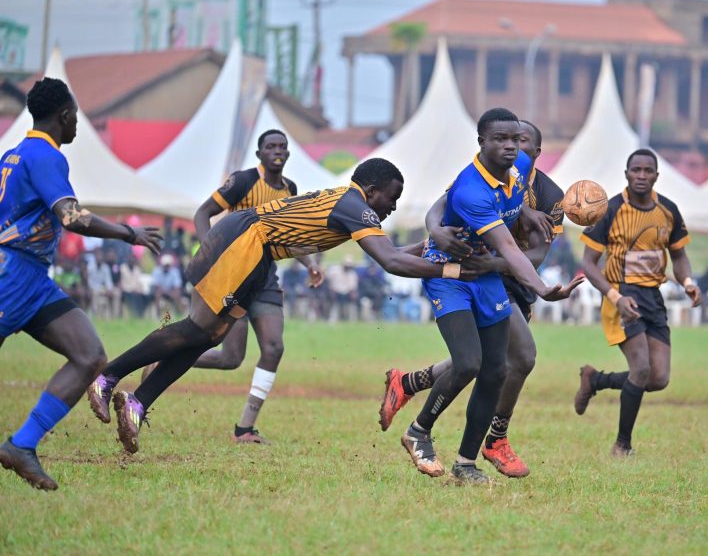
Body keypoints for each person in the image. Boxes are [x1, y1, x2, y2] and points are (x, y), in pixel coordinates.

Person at [87, 158, 489, 455]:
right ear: (372, 189)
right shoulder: (355, 206)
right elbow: (392, 263)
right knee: (197, 330)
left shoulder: (353, 207)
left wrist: (433, 248)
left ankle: (137, 403)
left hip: (255, 251)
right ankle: (107, 378)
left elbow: (392, 253)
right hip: (243, 239)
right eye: (393, 197)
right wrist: (454, 270)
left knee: (205, 338)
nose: (395, 206)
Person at [391, 108, 580, 485]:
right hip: (451, 274)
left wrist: (524, 208)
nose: (512, 146)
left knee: (497, 369)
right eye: (502, 139)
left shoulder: (519, 165)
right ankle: (418, 431)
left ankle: (466, 463)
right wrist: (543, 290)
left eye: (516, 139)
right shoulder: (472, 190)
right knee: (468, 363)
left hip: (486, 274)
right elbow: (508, 250)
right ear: (482, 143)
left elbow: (516, 209)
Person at [0, 77, 161, 490]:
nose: (77, 126)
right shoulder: (46, 156)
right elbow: (72, 217)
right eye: (75, 117)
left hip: (32, 279)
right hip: (10, 276)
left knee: (89, 355)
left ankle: (22, 446)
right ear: (66, 116)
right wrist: (128, 233)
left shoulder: (14, 154)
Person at [183, 129, 324, 444]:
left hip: (265, 279)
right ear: (259, 153)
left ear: (288, 154)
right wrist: (212, 250)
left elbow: (288, 238)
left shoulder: (291, 190)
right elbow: (203, 213)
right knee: (230, 358)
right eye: (271, 146)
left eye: (282, 146)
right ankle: (168, 358)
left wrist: (311, 264)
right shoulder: (243, 181)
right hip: (233, 277)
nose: (277, 150)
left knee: (274, 347)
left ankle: (245, 428)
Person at [573, 148, 700, 456]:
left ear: (656, 175)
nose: (641, 176)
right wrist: (614, 297)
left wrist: (688, 282)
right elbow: (589, 264)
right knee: (640, 369)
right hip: (620, 295)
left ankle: (595, 380)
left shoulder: (668, 210)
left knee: (658, 378)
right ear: (626, 174)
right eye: (636, 170)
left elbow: (679, 256)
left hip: (653, 298)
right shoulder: (610, 210)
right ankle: (622, 446)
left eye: (647, 171)